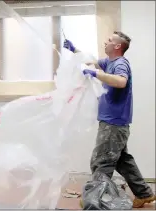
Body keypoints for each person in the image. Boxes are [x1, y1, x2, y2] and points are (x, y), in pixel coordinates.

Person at [63, 31, 155, 208]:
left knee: (101, 161)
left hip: (113, 123)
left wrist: (95, 74)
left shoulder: (121, 63)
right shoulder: (109, 62)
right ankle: (144, 194)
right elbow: (92, 62)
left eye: (110, 40)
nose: (106, 42)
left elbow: (121, 81)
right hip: (115, 122)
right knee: (122, 161)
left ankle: (94, 201)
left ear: (118, 46)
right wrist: (75, 50)